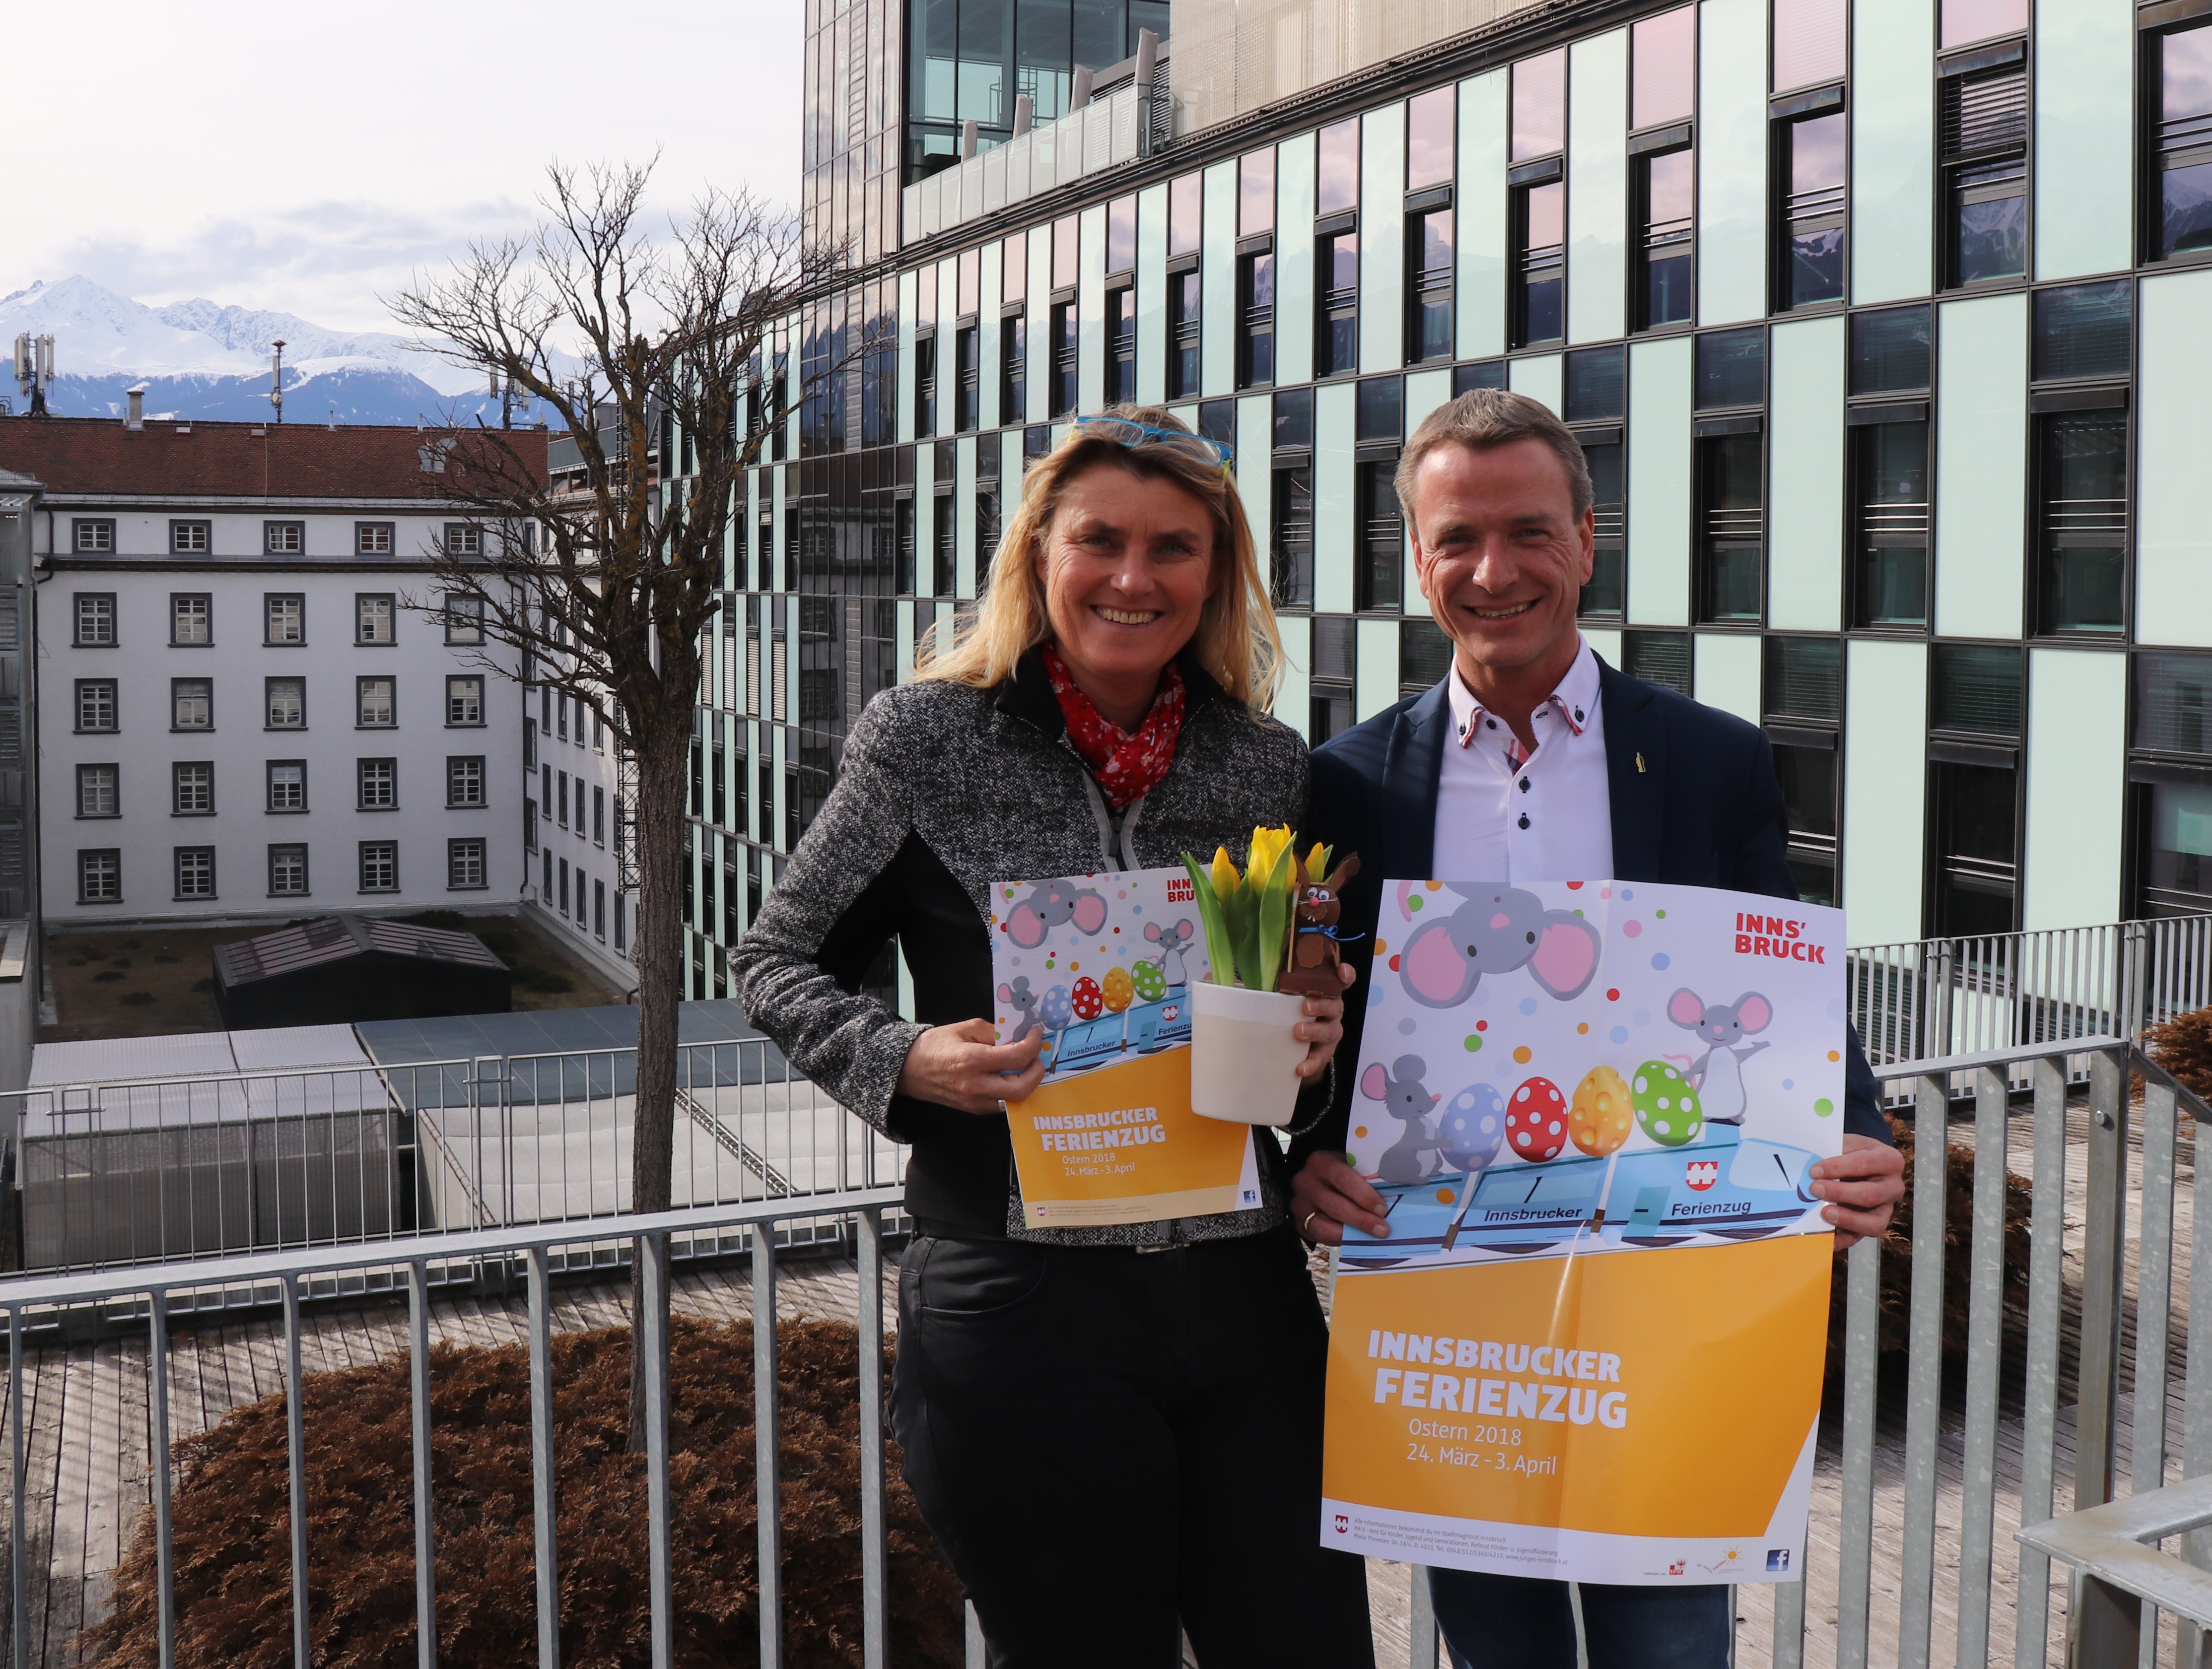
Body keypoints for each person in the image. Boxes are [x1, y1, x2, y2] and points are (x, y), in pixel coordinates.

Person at [734, 406, 1374, 1669]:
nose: (1135, 580)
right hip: (1023, 1309)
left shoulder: (1264, 763)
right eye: (1101, 541)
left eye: (1175, 548)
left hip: (1248, 1303)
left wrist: (1316, 1045)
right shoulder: (923, 739)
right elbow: (774, 959)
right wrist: (910, 1057)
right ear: (1037, 554)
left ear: (1219, 572)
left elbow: (1298, 1013)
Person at [1291, 387, 1908, 1669]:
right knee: (1494, 1643)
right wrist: (1305, 1153)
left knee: (1671, 1641)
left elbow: (1774, 976)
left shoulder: (1711, 761)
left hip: (1668, 1287)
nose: (1493, 570)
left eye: (1527, 531)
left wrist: (1857, 1128)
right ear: (1417, 557)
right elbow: (1321, 1028)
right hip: (1452, 1299)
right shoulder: (1347, 782)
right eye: (1456, 539)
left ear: (1585, 537)